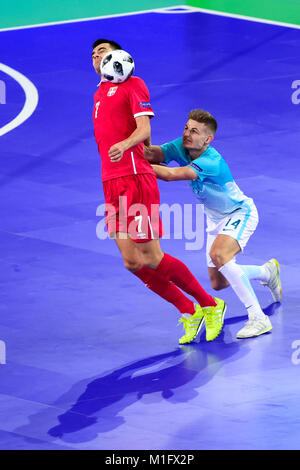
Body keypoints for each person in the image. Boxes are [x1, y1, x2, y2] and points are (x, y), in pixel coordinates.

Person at [92, 41, 226, 344]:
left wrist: (127, 146)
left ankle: (209, 304)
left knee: (151, 256)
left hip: (135, 177)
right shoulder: (100, 92)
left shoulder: (134, 84)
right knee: (132, 261)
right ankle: (188, 311)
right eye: (93, 54)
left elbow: (143, 130)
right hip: (110, 181)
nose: (97, 57)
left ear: (118, 57)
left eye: (102, 51)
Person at [144, 109, 282, 339]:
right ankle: (266, 272)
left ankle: (259, 318)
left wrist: (134, 167)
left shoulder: (211, 161)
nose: (187, 134)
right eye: (186, 128)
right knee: (218, 282)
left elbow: (170, 174)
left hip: (240, 213)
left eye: (194, 131)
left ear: (208, 139)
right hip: (214, 218)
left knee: (220, 255)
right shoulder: (182, 145)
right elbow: (152, 154)